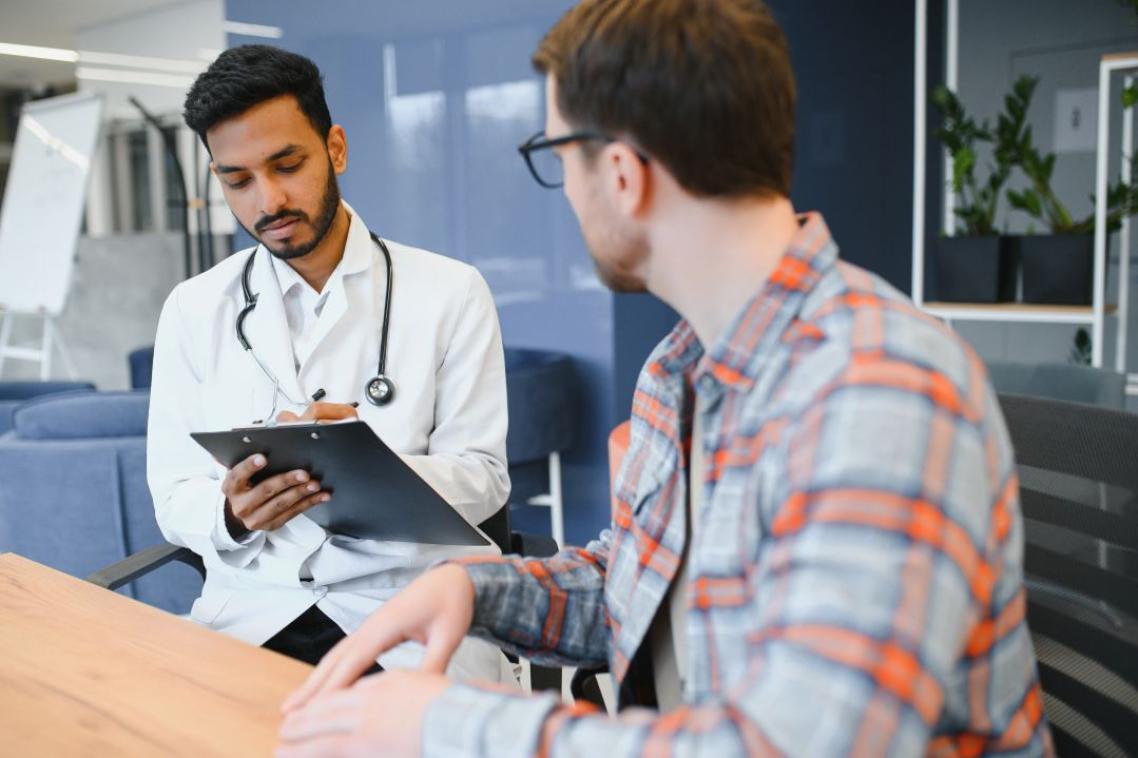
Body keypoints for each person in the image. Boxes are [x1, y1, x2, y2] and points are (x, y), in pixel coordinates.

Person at [277, 1, 1053, 755]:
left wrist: (444, 728)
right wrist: (476, 590)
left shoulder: (879, 390)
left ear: (621, 174)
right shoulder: (680, 368)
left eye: (557, 159)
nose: (569, 196)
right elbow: (636, 587)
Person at [147, 44, 511, 681]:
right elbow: (174, 493)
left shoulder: (451, 292)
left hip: (404, 608)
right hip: (252, 613)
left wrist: (373, 467)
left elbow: (485, 479)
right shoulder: (193, 308)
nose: (269, 200)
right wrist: (232, 514)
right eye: (238, 181)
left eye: (288, 165)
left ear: (335, 148)